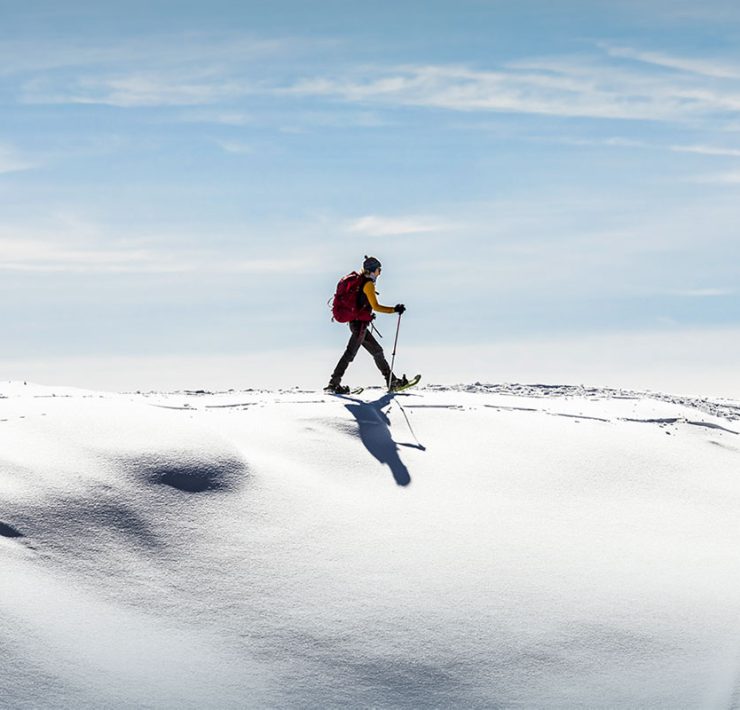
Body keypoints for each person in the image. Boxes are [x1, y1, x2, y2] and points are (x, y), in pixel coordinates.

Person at [325, 256, 407, 394]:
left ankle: (391, 380)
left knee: (377, 351)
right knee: (350, 354)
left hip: (358, 324)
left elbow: (363, 305)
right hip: (359, 326)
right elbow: (376, 306)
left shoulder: (361, 282)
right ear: (373, 270)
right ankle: (333, 384)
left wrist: (366, 315)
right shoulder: (368, 284)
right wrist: (395, 309)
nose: (380, 273)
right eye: (379, 270)